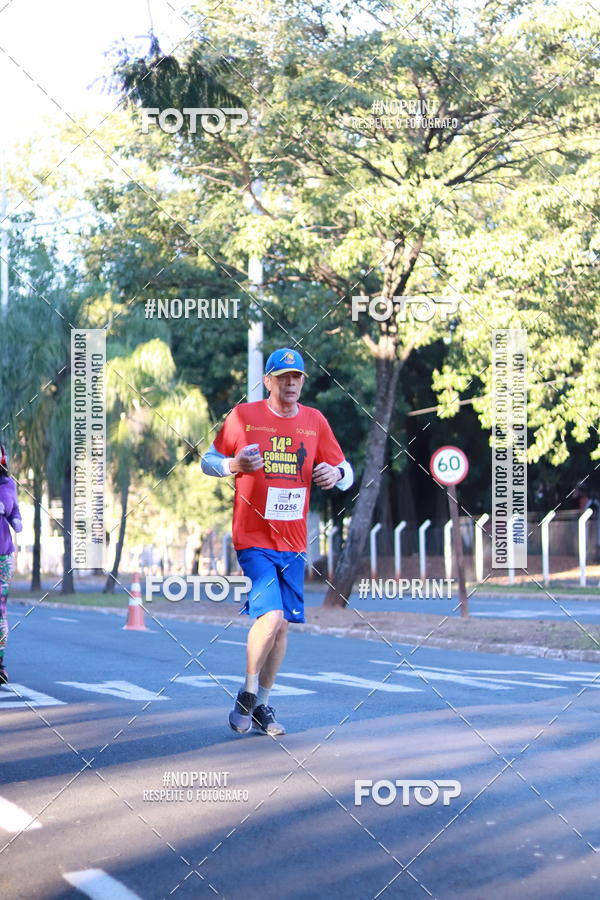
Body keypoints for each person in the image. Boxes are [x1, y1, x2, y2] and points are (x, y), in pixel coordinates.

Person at [202, 348, 353, 736]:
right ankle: (248, 693)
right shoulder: (244, 417)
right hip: (252, 536)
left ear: (302, 382)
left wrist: (335, 474)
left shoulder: (314, 421)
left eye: (297, 377)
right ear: (267, 381)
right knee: (269, 617)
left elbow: (346, 469)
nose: (290, 383)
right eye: (282, 377)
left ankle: (262, 707)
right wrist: (233, 465)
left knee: (282, 625)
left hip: (294, 541)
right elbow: (207, 460)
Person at [0, 444, 23, 685]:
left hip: (2, 556)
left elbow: (9, 507)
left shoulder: (6, 484)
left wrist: (16, 519)